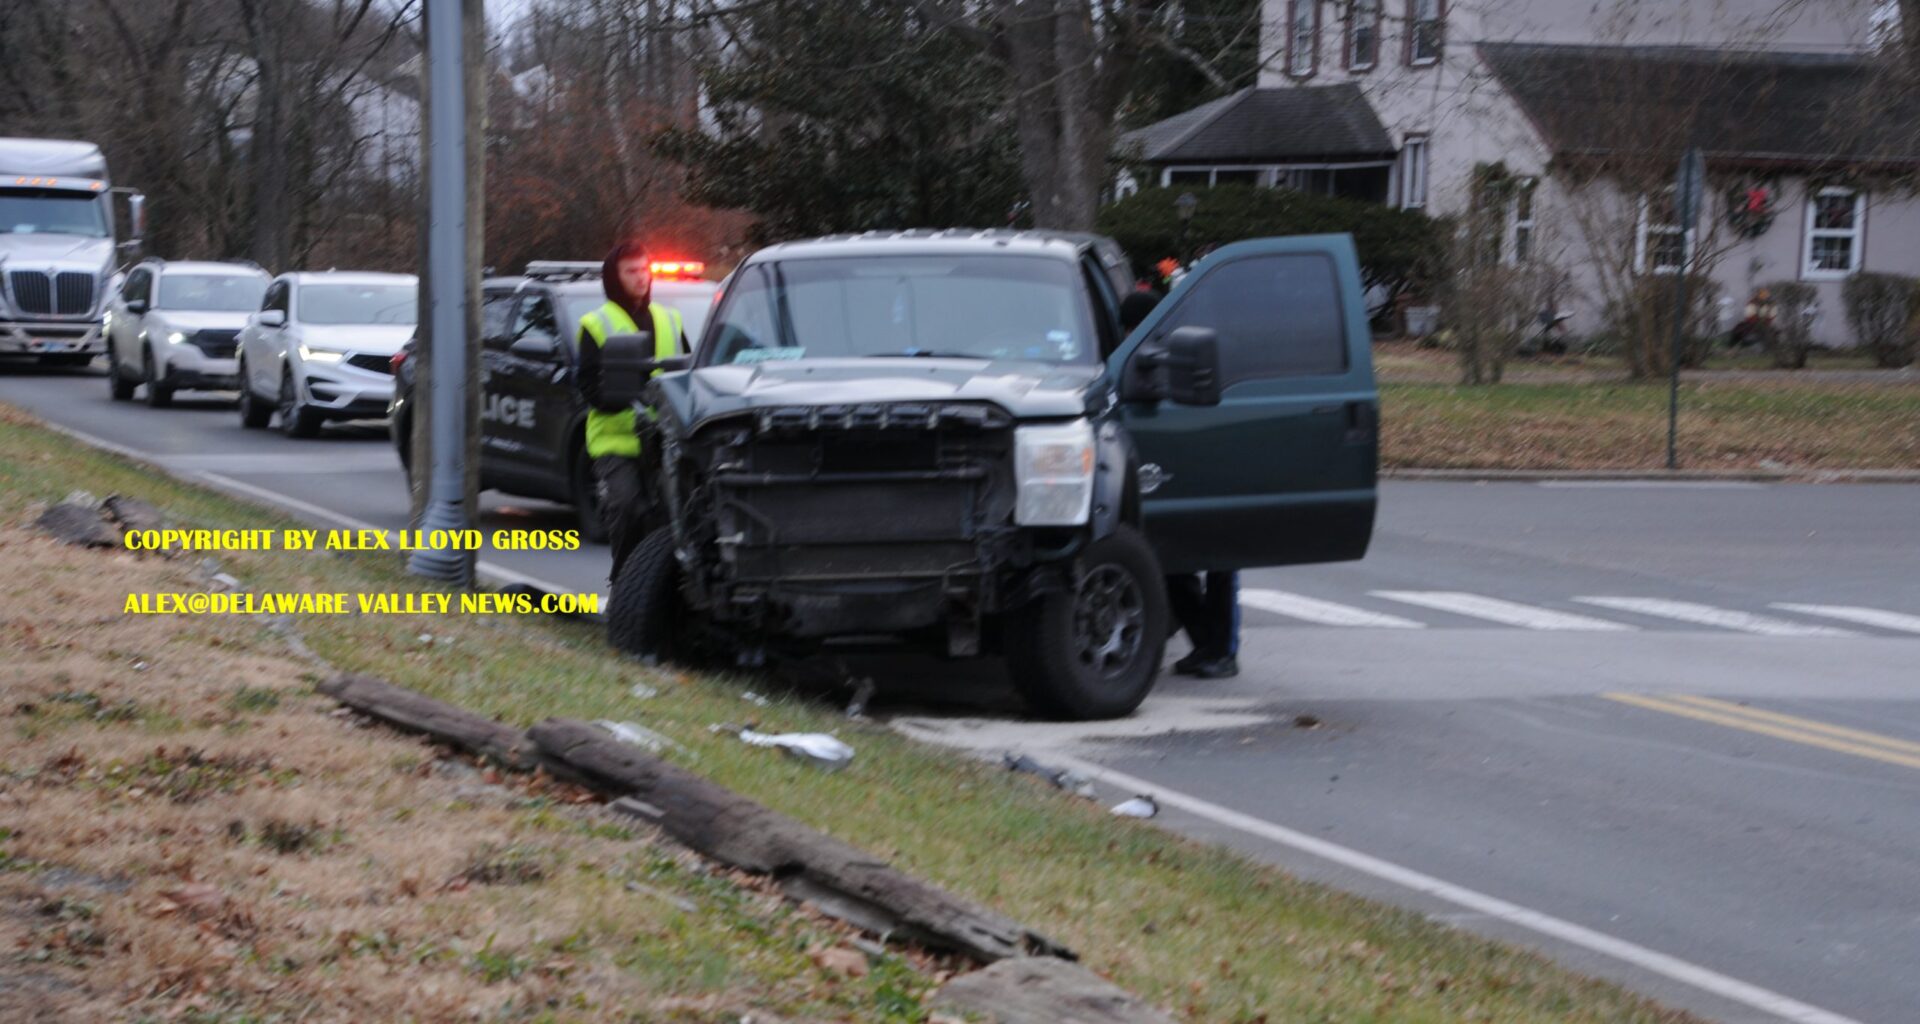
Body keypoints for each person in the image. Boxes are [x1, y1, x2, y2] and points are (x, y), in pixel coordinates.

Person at [1116, 285, 1241, 680]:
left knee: (1221, 562)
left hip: (1212, 468)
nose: (1128, 334)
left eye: (1132, 327)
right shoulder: (1144, 355)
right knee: (1173, 567)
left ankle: (1222, 651)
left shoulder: (1174, 353)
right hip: (1173, 473)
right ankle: (1206, 645)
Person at [575, 240, 686, 581]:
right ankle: (624, 585)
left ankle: (671, 589)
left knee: (679, 511)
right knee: (626, 505)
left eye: (644, 270)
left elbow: (687, 372)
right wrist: (626, 398)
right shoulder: (596, 323)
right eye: (631, 271)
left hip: (665, 438)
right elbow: (589, 386)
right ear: (614, 277)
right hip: (616, 441)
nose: (640, 277)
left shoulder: (670, 318)